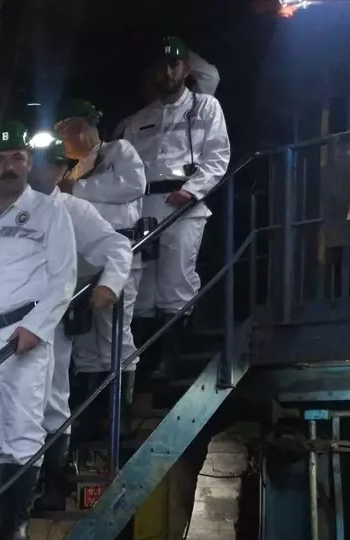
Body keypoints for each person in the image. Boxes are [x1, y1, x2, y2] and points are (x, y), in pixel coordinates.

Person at [0, 120, 77, 540]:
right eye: (1, 159)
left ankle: (18, 529)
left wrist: (37, 327)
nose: (8, 167)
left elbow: (64, 278)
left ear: (29, 164)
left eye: (17, 159)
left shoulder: (49, 212)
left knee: (23, 430)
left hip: (22, 335)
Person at [28, 136, 134, 511]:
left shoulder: (74, 211)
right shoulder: (3, 210)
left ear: (62, 171)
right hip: (2, 327)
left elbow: (118, 247)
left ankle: (53, 486)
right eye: (34, 161)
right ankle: (12, 496)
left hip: (51, 322)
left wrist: (108, 285)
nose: (39, 170)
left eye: (49, 164)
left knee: (51, 402)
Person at [122, 36, 230, 381]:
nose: (168, 72)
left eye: (175, 64)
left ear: (186, 68)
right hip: (144, 205)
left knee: (176, 281)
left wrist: (192, 190)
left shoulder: (205, 107)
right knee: (143, 289)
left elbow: (217, 156)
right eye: (162, 65)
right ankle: (145, 362)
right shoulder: (138, 120)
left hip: (183, 202)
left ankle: (171, 360)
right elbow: (127, 168)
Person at [55, 98, 148, 442]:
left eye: (65, 133)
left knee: (114, 335)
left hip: (117, 254)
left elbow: (134, 185)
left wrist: (79, 189)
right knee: (87, 344)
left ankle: (119, 415)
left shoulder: (119, 151)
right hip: (83, 262)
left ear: (80, 128)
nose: (65, 142)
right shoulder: (72, 170)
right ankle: (93, 414)